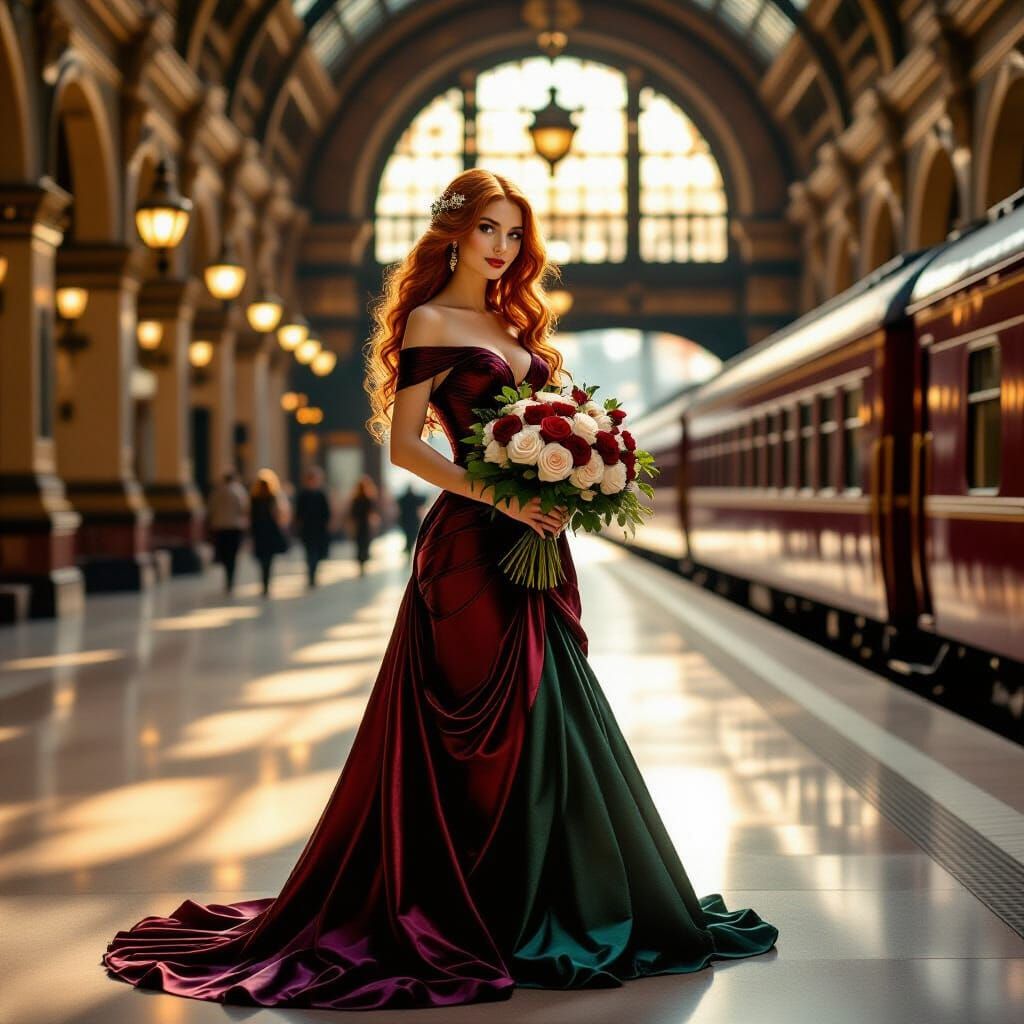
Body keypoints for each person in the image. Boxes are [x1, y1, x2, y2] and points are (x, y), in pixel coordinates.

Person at [103, 169, 778, 1010]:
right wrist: (507, 495)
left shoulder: (512, 321)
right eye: (490, 229)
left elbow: (538, 420)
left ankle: (545, 898)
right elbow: (406, 449)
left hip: (533, 540)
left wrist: (571, 482)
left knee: (548, 711)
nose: (503, 248)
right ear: (454, 233)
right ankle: (471, 907)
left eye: (514, 235)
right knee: (477, 728)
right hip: (470, 546)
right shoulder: (430, 320)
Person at [205, 469, 249, 594]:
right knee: (232, 554)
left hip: (220, 526)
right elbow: (244, 508)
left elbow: (211, 508)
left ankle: (227, 576)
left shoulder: (217, 491)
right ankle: (231, 578)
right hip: (235, 527)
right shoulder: (239, 491)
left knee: (224, 552)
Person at [248, 468, 289, 597]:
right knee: (268, 559)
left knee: (262, 559)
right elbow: (280, 514)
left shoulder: (254, 499)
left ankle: (264, 582)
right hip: (270, 532)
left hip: (259, 532)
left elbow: (250, 517)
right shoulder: (272, 497)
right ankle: (266, 583)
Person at [295, 466, 332, 587]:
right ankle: (311, 575)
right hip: (307, 529)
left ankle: (313, 573)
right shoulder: (303, 495)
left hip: (319, 529)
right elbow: (298, 513)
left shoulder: (321, 494)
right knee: (310, 552)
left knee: (317, 553)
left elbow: (326, 513)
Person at [345, 475, 379, 576]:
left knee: (359, 544)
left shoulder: (356, 500)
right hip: (365, 525)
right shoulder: (368, 499)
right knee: (364, 544)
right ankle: (363, 562)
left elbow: (352, 514)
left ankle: (361, 563)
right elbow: (372, 514)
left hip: (358, 525)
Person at [396, 482, 427, 558]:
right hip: (413, 521)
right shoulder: (414, 498)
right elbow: (424, 498)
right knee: (412, 536)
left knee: (408, 536)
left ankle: (407, 548)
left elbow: (397, 501)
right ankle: (408, 548)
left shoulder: (402, 499)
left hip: (404, 521)